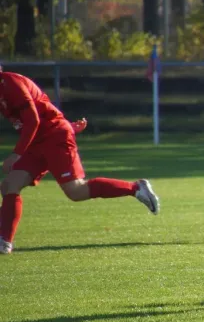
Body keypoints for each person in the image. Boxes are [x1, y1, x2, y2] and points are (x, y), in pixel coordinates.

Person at [0, 68, 160, 255]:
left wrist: (17, 154)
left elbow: (34, 120)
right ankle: (5, 241)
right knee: (10, 185)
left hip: (54, 138)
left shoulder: (11, 84)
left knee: (76, 191)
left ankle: (135, 188)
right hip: (39, 140)